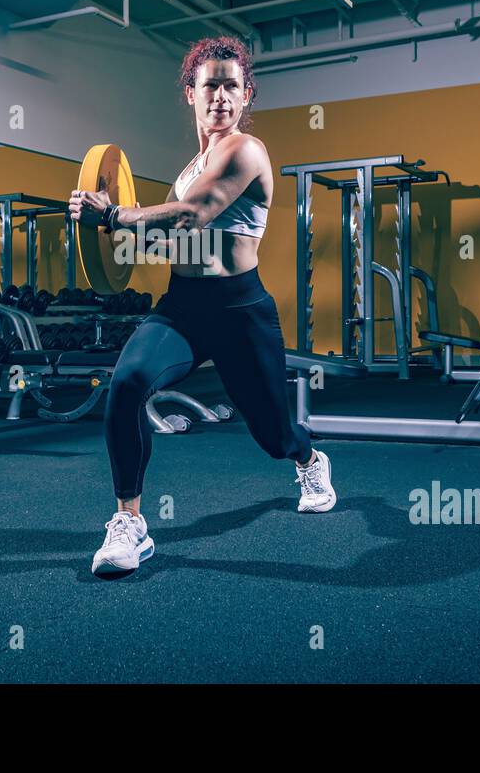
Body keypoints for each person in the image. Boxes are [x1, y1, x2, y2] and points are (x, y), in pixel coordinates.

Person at [69, 36, 335, 577]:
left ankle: (309, 461)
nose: (220, 96)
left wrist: (116, 217)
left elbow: (193, 214)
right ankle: (129, 524)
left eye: (231, 86)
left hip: (241, 310)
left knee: (272, 433)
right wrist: (137, 239)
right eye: (209, 85)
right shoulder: (190, 167)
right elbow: (186, 241)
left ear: (245, 96)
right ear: (190, 93)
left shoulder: (246, 151)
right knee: (126, 385)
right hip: (183, 309)